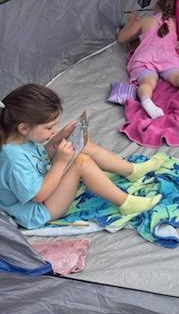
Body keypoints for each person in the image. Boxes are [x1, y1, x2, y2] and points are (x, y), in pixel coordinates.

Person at [0, 84, 163, 230]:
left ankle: (131, 170)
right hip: (39, 211)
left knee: (82, 145)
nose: (54, 130)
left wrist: (58, 139)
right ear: (23, 128)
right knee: (80, 162)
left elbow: (38, 157)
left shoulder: (22, 138)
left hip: (44, 186)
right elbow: (38, 196)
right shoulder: (12, 158)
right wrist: (60, 162)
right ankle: (126, 203)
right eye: (49, 127)